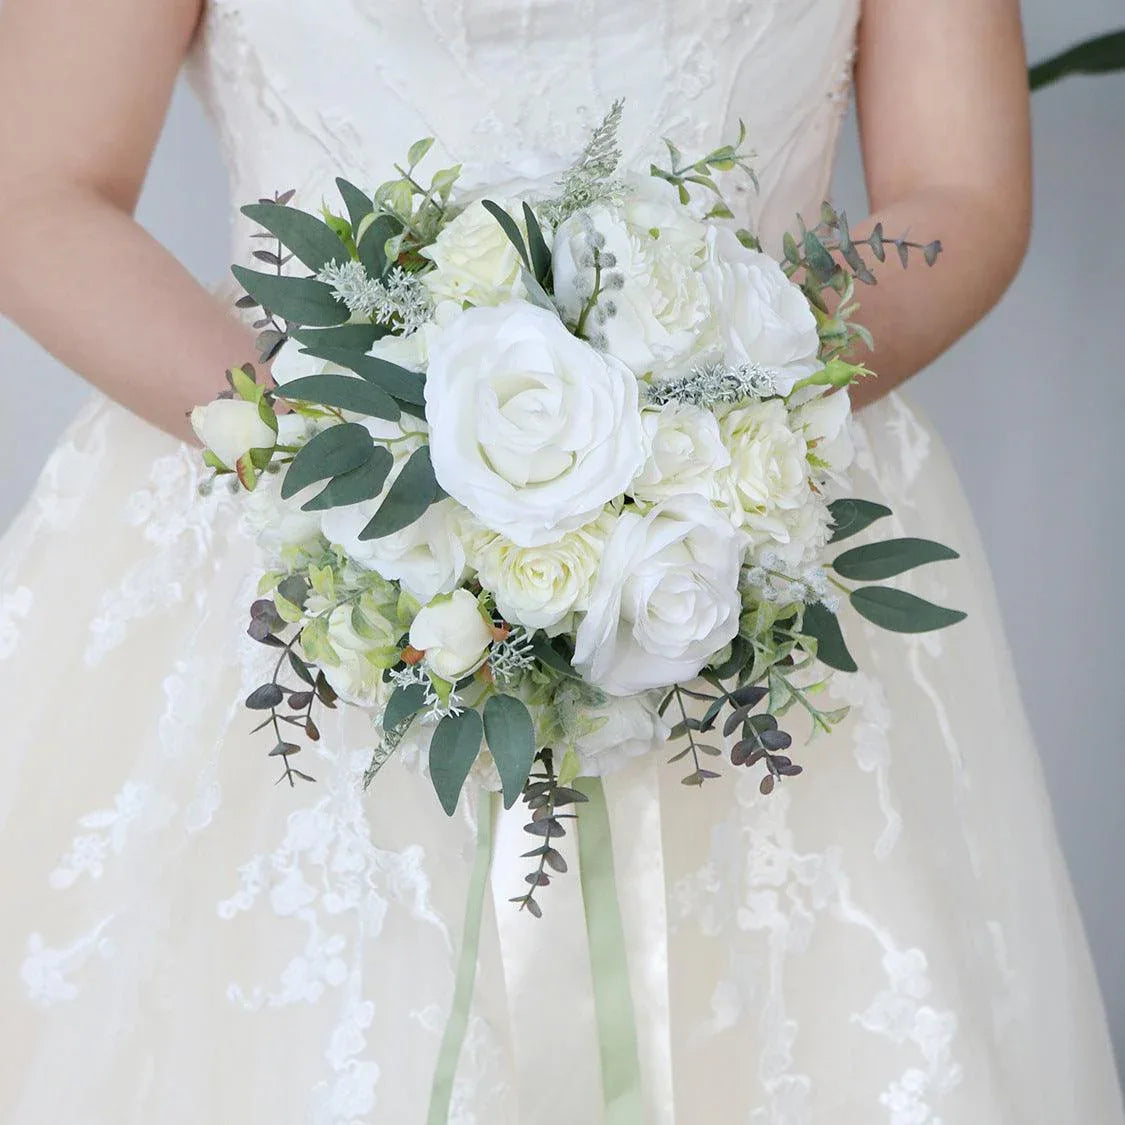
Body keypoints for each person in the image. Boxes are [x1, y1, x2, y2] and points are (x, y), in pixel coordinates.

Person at [0, 0, 1121, 1120]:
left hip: (752, 519)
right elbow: (37, 185)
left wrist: (717, 419)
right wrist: (359, 468)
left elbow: (962, 197)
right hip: (291, 512)